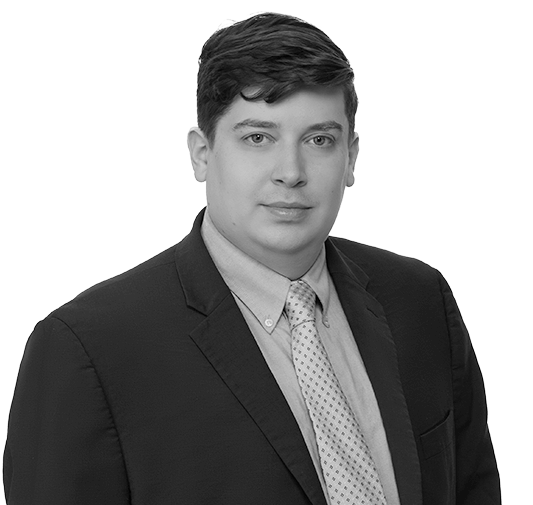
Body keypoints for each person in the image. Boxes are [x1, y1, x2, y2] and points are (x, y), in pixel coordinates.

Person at [4, 12, 500, 505]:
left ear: (351, 157)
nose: (291, 172)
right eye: (258, 138)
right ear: (201, 153)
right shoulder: (87, 349)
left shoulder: (419, 299)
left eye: (319, 140)